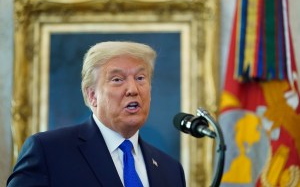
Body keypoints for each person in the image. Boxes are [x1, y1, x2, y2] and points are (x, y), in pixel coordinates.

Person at [7, 41, 186, 187]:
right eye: (117, 79)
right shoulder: (48, 151)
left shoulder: (171, 170)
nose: (133, 89)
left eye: (140, 78)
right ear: (92, 95)